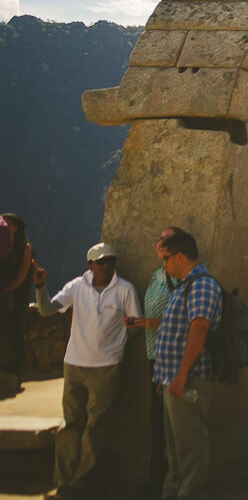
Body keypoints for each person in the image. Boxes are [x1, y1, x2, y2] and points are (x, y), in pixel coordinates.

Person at [32, 242, 141, 498]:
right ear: (90, 265)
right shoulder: (76, 287)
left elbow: (135, 323)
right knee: (71, 425)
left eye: (110, 261)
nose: (107, 266)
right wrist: (39, 287)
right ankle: (64, 481)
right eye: (101, 262)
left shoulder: (124, 290)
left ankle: (81, 483)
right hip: (74, 365)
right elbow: (47, 310)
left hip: (105, 369)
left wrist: (117, 348)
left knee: (95, 427)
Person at [153, 230, 223, 500]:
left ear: (180, 256)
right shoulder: (184, 285)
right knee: (175, 447)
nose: (164, 266)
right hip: (174, 380)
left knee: (190, 445)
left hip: (188, 380)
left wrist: (181, 373)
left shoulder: (202, 285)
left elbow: (199, 328)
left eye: (166, 258)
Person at [127, 228, 184, 500]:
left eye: (165, 239)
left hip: (170, 358)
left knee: (170, 425)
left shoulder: (179, 280)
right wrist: (140, 322)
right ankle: (156, 481)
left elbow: (184, 319)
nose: (159, 242)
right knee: (156, 422)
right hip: (153, 356)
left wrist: (150, 323)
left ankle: (170, 485)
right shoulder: (156, 276)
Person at [1, 213, 40, 390]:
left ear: (16, 227)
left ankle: (18, 369)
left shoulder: (25, 247)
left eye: (7, 223)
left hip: (18, 295)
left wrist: (6, 290)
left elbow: (22, 275)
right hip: (5, 293)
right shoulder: (4, 247)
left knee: (17, 328)